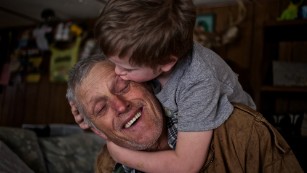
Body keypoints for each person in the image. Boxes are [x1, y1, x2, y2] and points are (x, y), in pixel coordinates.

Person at [86, 0, 257, 172]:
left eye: (128, 68)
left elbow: (187, 165)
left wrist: (120, 155)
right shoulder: (150, 56)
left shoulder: (199, 82)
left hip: (235, 145)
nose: (117, 71)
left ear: (166, 62)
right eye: (113, 62)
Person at [67, 55, 303, 173]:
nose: (119, 106)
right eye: (101, 109)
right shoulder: (106, 165)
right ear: (96, 129)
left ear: (148, 82)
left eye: (123, 87)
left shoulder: (243, 131)